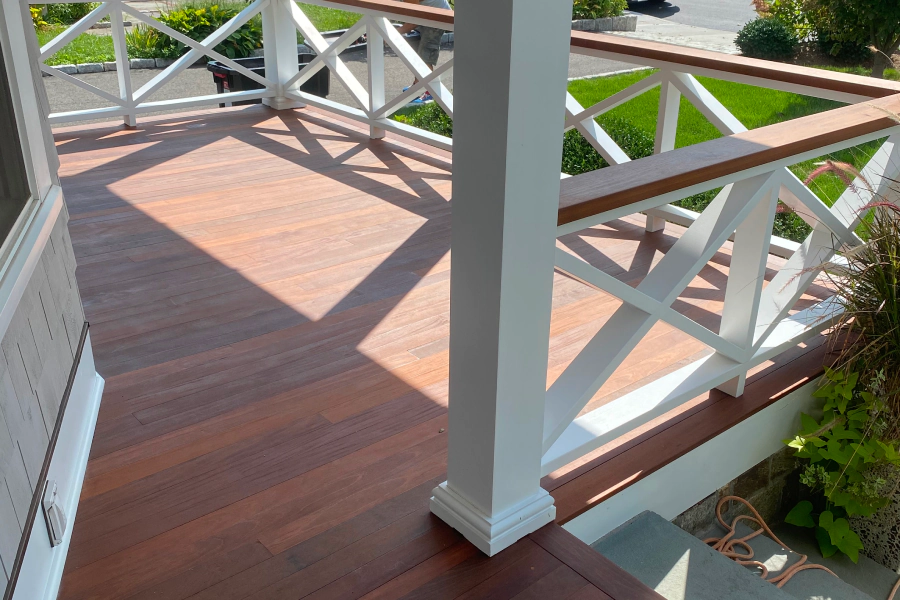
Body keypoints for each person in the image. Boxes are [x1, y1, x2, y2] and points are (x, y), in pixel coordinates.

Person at [397, 0, 451, 103]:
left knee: (425, 55)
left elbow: (413, 22)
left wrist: (394, 32)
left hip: (438, 18)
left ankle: (427, 91)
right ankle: (418, 85)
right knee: (419, 53)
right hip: (426, 14)